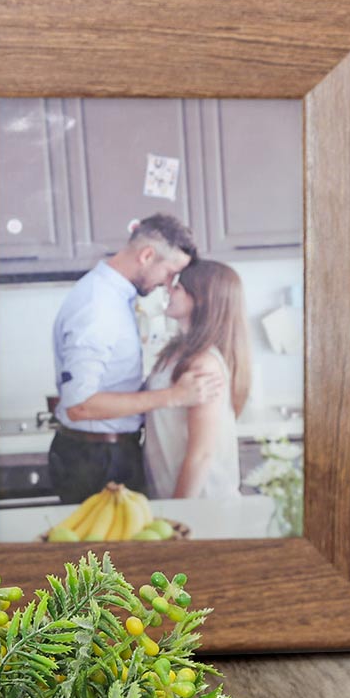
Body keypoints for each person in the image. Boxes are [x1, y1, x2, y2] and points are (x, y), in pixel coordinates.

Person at [48, 215, 223, 506]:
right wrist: (173, 396)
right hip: (95, 461)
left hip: (103, 454)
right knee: (100, 554)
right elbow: (80, 405)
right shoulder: (99, 308)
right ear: (147, 255)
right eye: (170, 273)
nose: (168, 285)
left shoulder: (114, 297)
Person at [141, 259, 251, 501]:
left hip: (202, 503)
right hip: (172, 495)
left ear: (200, 298)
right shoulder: (175, 353)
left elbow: (201, 455)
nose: (167, 290)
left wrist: (179, 513)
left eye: (177, 287)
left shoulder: (203, 363)